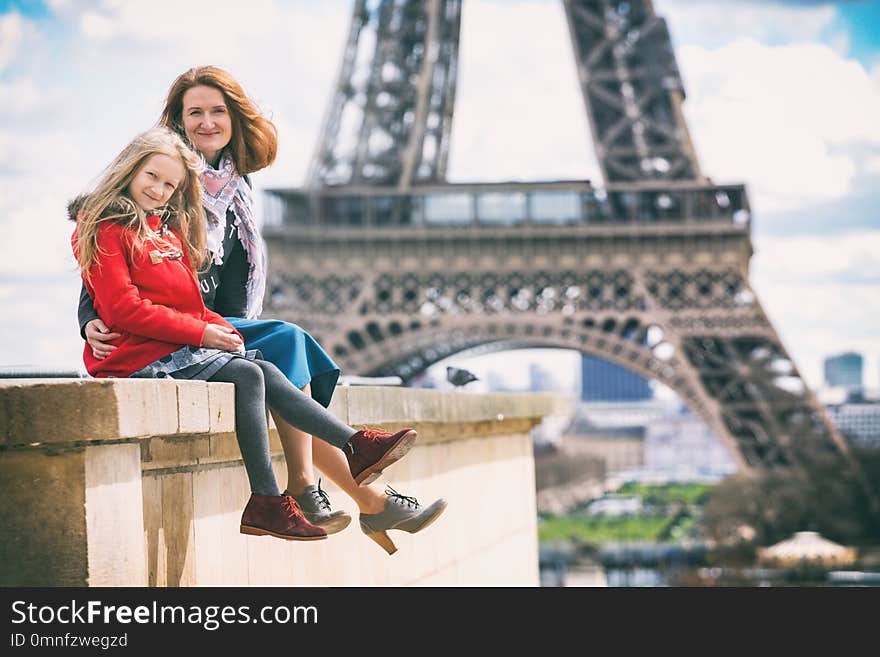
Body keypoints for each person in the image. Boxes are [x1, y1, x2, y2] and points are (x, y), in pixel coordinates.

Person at [77, 66, 446, 554]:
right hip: (172, 331)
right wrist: (88, 319)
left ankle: (343, 487)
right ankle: (337, 486)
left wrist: (210, 328)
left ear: (234, 118)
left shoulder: (233, 189)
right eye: (195, 113)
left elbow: (201, 281)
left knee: (275, 359)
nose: (207, 122)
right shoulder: (160, 185)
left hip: (208, 320)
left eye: (217, 111)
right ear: (177, 121)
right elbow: (105, 274)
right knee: (283, 348)